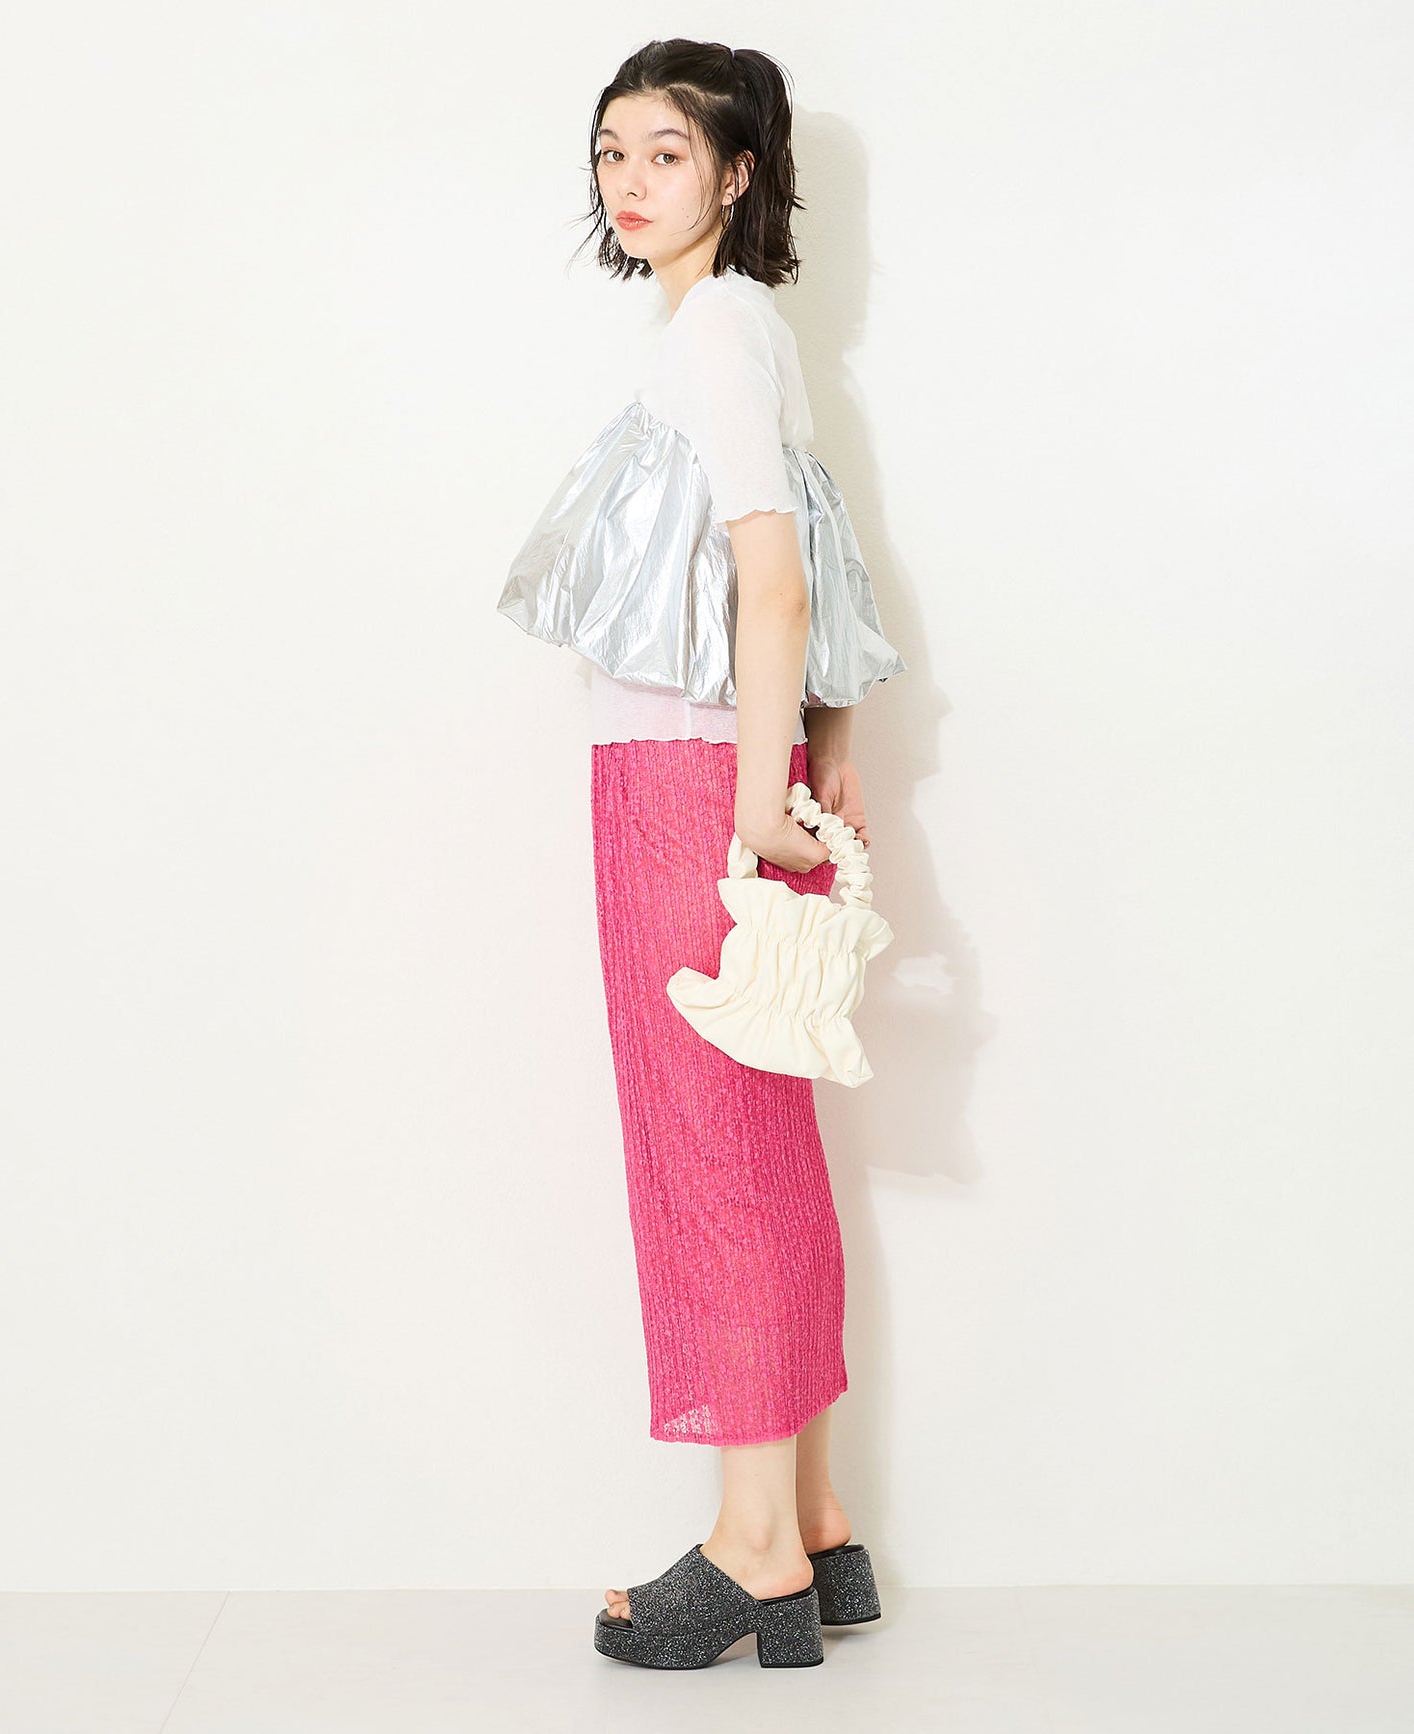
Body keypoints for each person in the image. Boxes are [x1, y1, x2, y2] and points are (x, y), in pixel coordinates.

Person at [497, 39, 906, 1669]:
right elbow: (818, 551)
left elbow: (774, 570)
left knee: (708, 1150)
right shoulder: (738, 330)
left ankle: (751, 1551)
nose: (628, 179)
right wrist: (814, 751)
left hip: (688, 782)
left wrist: (751, 793)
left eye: (665, 152)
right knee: (758, 1138)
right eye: (612, 151)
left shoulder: (718, 329)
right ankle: (809, 1515)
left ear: (738, 173)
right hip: (723, 771)